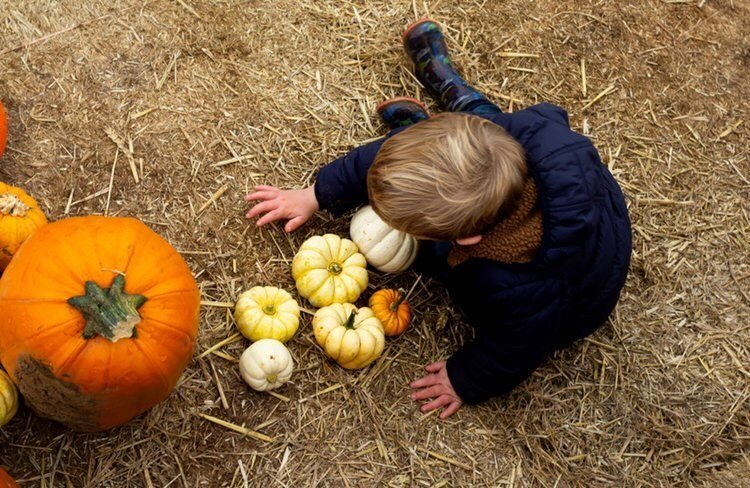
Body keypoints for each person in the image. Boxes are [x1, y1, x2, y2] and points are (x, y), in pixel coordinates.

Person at [245, 19, 632, 419]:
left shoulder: (521, 290)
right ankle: (447, 84)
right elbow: (384, 158)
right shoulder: (503, 140)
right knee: (481, 120)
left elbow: (515, 350)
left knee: (432, 259)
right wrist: (315, 194)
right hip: (510, 161)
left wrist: (464, 379)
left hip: (577, 294)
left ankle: (432, 114)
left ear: (465, 241)